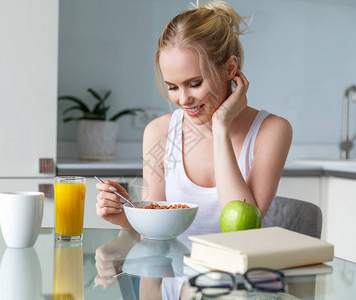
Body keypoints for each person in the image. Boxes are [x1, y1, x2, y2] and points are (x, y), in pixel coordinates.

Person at [96, 0, 292, 240]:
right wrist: (126, 218)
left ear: (230, 69)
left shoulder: (271, 131)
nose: (184, 99)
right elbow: (156, 231)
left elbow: (243, 230)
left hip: (238, 276)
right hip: (174, 275)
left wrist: (221, 127)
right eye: (172, 87)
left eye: (195, 83)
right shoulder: (159, 133)